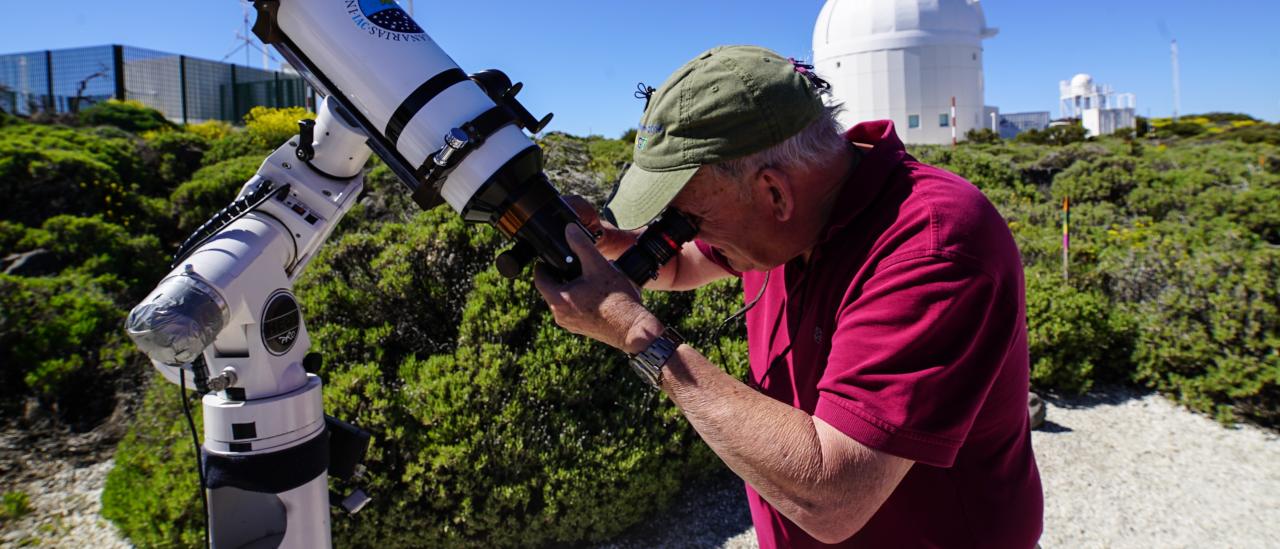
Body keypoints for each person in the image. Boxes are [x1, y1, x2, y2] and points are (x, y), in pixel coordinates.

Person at [532, 45, 1043, 548]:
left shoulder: (932, 247)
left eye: (690, 217)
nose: (684, 233)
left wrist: (634, 331)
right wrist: (612, 245)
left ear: (775, 192)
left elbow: (833, 495)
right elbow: (690, 262)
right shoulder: (790, 222)